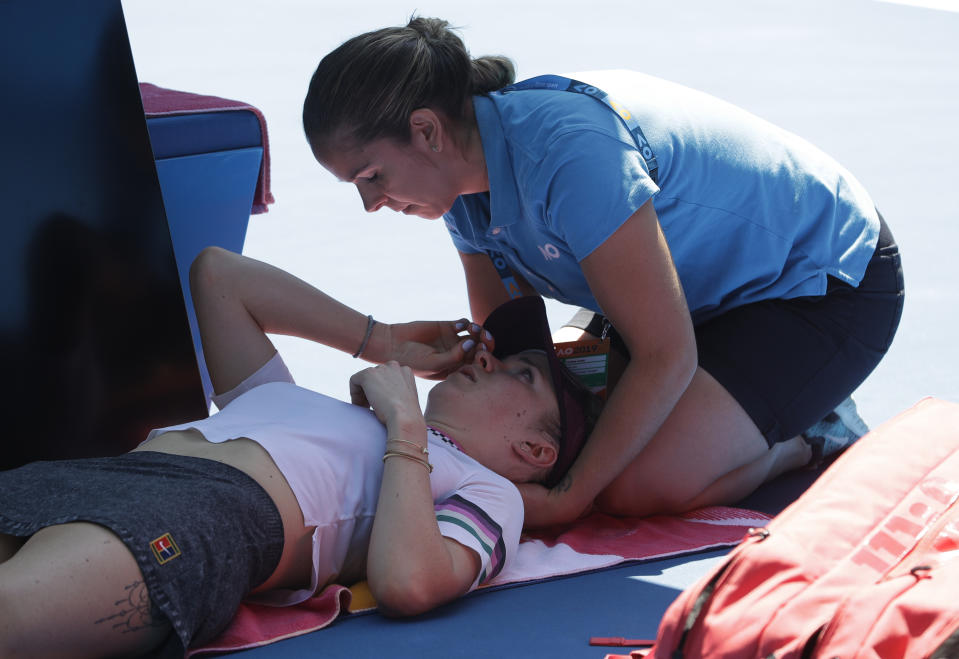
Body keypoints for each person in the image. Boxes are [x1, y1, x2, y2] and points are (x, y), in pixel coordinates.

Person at [301, 17, 905, 527]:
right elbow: (508, 339)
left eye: (371, 177)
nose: (370, 204)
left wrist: (570, 496)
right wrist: (457, 361)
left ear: (427, 131)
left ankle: (812, 432)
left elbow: (667, 355)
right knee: (570, 400)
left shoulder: (569, 155)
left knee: (637, 487)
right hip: (691, 300)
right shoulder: (461, 188)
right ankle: (741, 408)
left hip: (821, 282)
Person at [0, 246, 599, 658]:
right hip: (95, 475)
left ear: (536, 449)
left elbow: (412, 583)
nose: (485, 357)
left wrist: (405, 426)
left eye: (521, 374)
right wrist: (383, 340)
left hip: (199, 519)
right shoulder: (295, 402)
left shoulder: (487, 489)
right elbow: (220, 276)